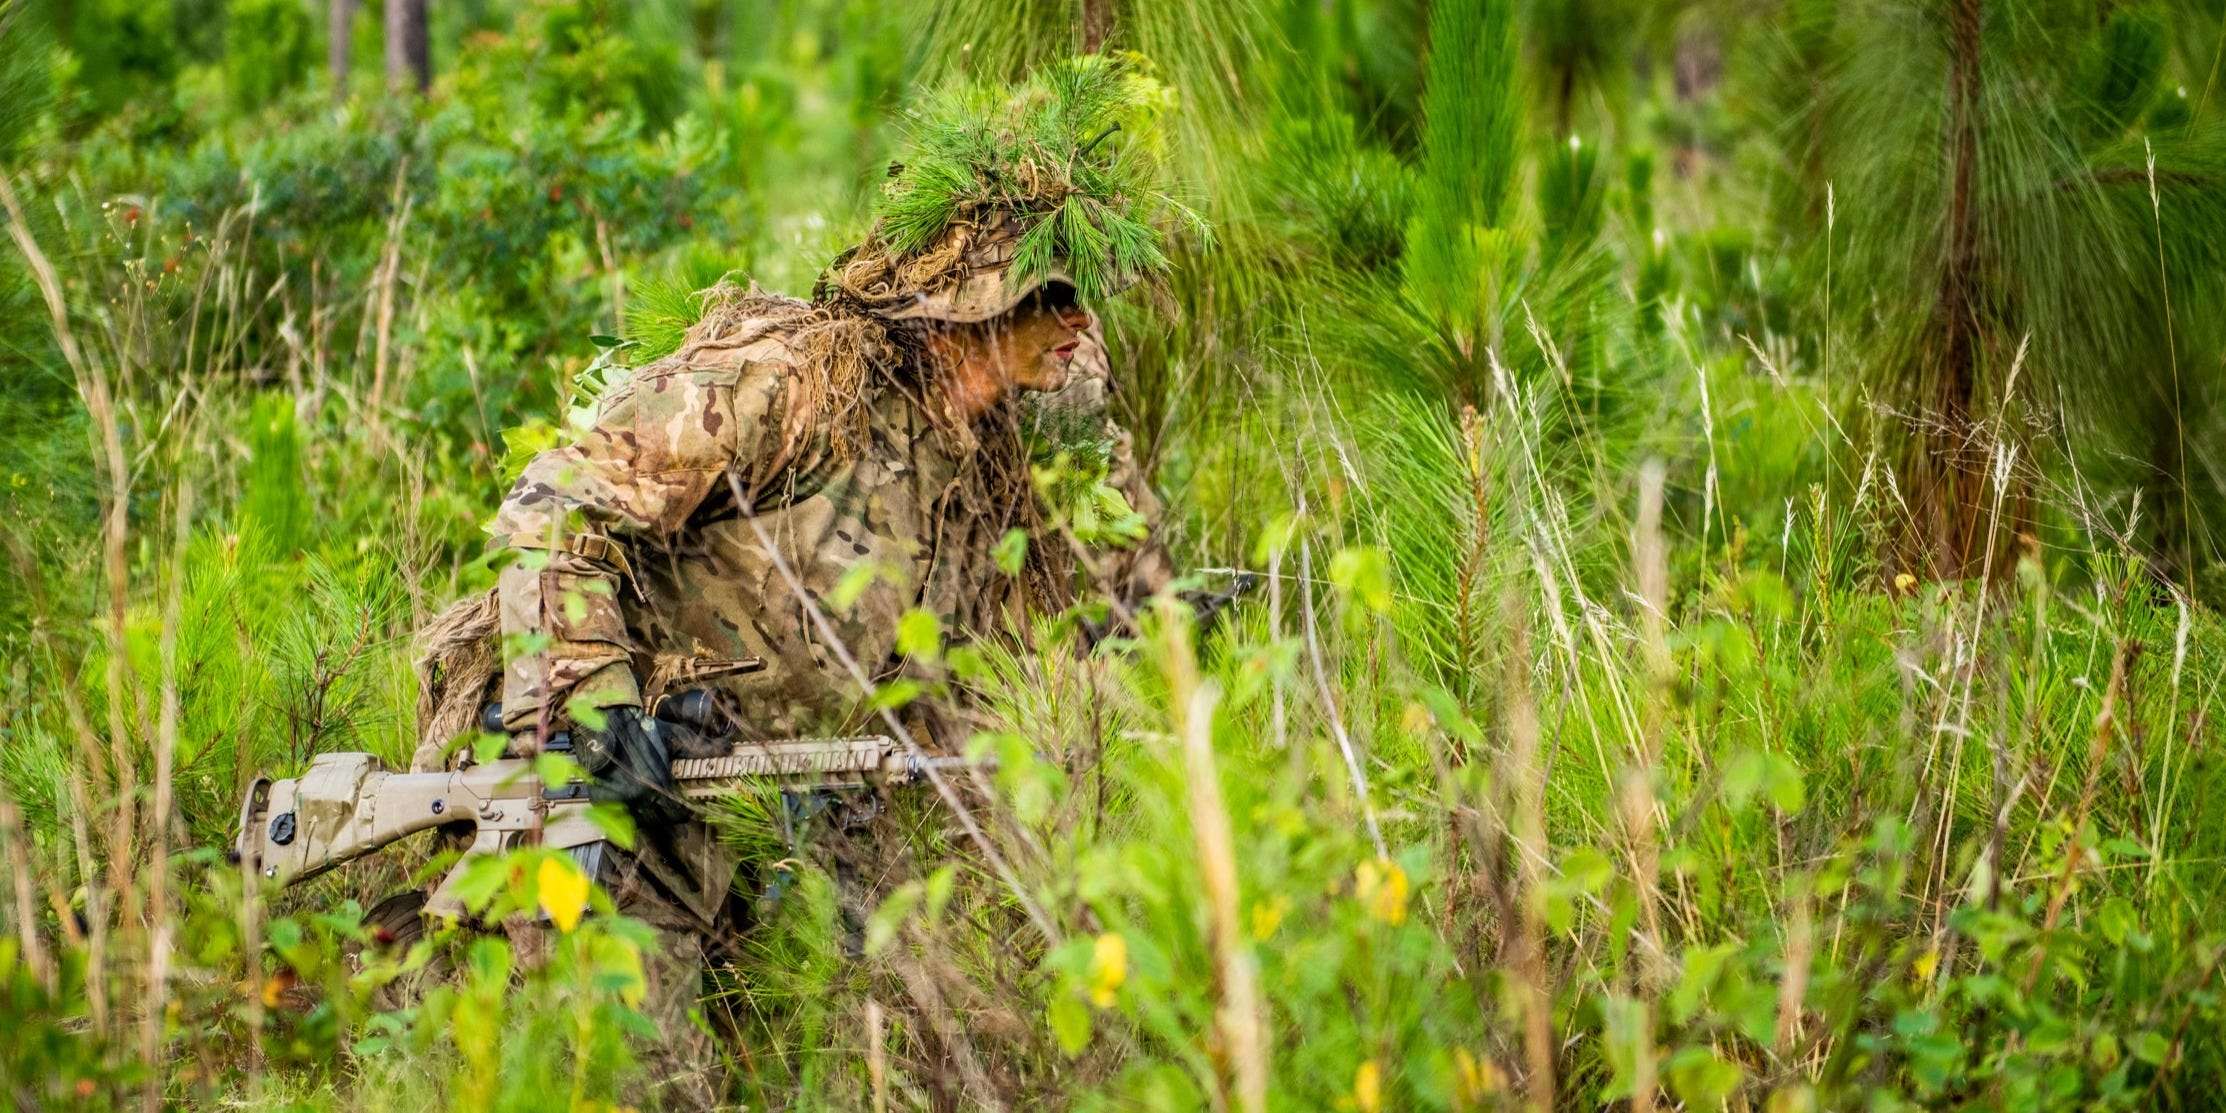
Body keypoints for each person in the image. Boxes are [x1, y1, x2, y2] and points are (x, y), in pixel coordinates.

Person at [410, 56, 1187, 1108]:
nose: (1082, 323)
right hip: (625, 795)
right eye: (1058, 295)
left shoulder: (993, 458)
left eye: (1088, 302)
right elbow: (558, 507)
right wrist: (591, 701)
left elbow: (1094, 617)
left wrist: (1094, 448)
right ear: (972, 298)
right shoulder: (797, 382)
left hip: (796, 835)